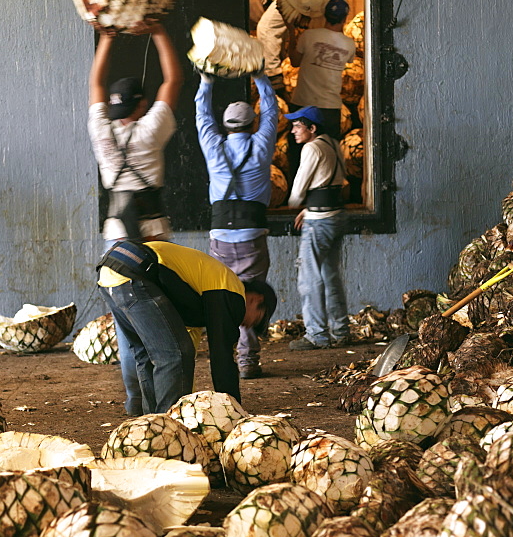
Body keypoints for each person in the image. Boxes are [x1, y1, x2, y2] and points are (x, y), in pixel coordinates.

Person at [87, 21, 183, 415]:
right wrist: (159, 31)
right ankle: (163, 403)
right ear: (140, 105)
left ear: (112, 106)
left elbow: (95, 86)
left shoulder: (101, 132)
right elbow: (174, 78)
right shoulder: (150, 131)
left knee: (127, 327)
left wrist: (106, 39)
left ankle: (134, 401)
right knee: (162, 322)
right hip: (155, 236)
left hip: (116, 240)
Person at [97, 239, 277, 412]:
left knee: (148, 352)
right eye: (257, 319)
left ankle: (150, 419)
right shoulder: (232, 291)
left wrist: (188, 397)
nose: (247, 325)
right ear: (256, 299)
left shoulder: (201, 295)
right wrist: (233, 408)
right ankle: (169, 425)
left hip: (112, 270)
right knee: (173, 354)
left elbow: (188, 349)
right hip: (137, 269)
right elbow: (220, 355)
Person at [195, 70, 278, 379]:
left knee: (223, 296)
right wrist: (260, 77)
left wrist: (207, 80)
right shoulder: (260, 148)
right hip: (252, 237)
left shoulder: (213, 148)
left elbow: (202, 116)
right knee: (251, 298)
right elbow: (272, 112)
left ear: (225, 126)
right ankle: (247, 360)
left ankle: (223, 354)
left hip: (220, 237)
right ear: (252, 124)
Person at [285, 105, 350, 350]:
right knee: (330, 274)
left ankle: (317, 335)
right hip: (336, 216)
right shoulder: (334, 144)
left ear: (312, 128)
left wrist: (293, 204)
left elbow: (299, 188)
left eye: (297, 126)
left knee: (309, 277)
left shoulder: (311, 147)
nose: (292, 131)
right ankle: (341, 331)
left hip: (319, 222)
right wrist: (309, 207)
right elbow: (333, 183)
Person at [286, 0, 355, 142]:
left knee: (299, 156)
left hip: (303, 104)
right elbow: (349, 60)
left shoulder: (309, 36)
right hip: (330, 108)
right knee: (327, 154)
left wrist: (291, 33)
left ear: (324, 15)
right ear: (345, 18)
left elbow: (294, 62)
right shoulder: (349, 44)